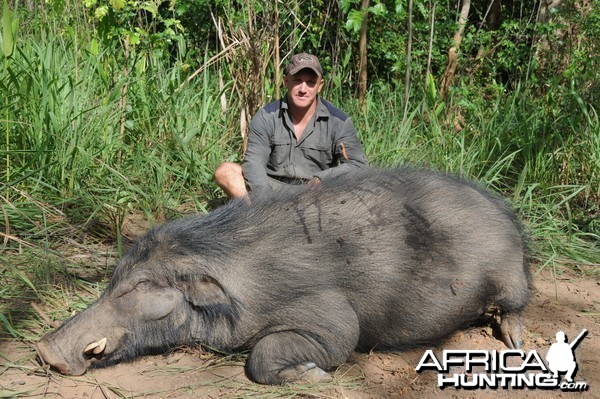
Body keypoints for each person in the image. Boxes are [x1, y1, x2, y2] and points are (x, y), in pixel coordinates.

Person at [215, 52, 369, 198]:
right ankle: (260, 218)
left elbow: (358, 165)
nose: (303, 89)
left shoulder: (338, 121)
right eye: (297, 80)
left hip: (317, 192)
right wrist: (264, 201)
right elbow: (254, 163)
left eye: (310, 83)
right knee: (226, 171)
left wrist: (323, 178)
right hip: (272, 189)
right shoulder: (266, 117)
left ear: (320, 85)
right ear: (285, 81)